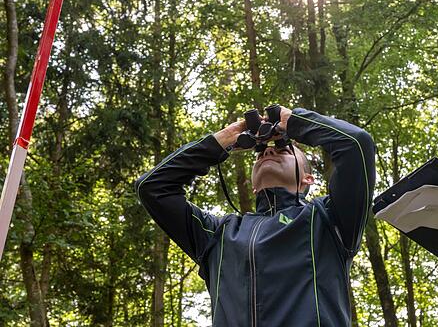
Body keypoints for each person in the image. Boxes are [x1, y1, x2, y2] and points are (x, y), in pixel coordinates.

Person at [135, 106, 375, 326]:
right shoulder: (219, 233)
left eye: (283, 149)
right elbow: (153, 187)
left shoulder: (329, 218)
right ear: (252, 184)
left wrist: (293, 123)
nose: (268, 150)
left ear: (307, 179)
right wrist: (221, 142)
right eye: (260, 153)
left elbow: (356, 144)